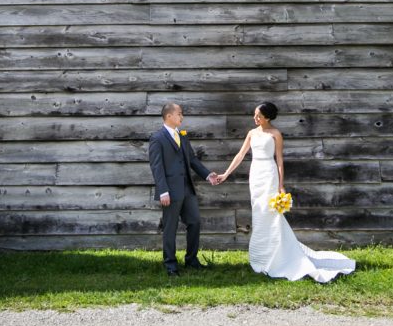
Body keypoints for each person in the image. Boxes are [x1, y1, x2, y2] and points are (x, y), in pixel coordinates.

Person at [218, 102, 355, 282]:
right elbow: (240, 155)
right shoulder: (252, 133)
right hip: (256, 175)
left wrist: (281, 185)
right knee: (258, 213)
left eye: (258, 116)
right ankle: (262, 256)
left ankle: (278, 256)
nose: (255, 118)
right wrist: (226, 174)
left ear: (267, 117)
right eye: (254, 115)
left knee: (272, 215)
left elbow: (280, 160)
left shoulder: (276, 134)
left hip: (269, 173)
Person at [148, 101, 220, 276]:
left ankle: (191, 259)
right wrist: (163, 190)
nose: (182, 117)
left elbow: (192, 159)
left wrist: (207, 175)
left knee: (195, 222)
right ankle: (171, 265)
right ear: (169, 116)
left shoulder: (183, 135)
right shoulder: (157, 138)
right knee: (170, 228)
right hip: (170, 192)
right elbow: (157, 167)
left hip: (187, 189)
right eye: (179, 113)